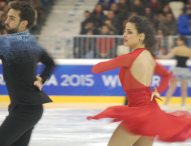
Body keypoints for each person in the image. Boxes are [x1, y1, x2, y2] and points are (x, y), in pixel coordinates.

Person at [87, 16, 191, 145]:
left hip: (140, 115)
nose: (124, 34)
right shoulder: (149, 57)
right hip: (152, 113)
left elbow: (96, 69)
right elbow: (167, 75)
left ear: (141, 36)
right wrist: (157, 90)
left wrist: (117, 60)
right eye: (125, 31)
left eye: (130, 32)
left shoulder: (128, 58)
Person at [0, 1, 55, 146]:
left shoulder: (7, 42)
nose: (6, 21)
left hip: (25, 110)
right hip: (26, 108)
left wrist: (42, 79)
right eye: (7, 17)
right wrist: (42, 79)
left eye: (12, 18)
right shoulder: (31, 42)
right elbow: (51, 63)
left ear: (23, 23)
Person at [156, 36, 191, 110]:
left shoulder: (176, 49)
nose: (177, 41)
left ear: (182, 41)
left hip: (177, 70)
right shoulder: (188, 50)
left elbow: (167, 56)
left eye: (178, 40)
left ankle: (165, 105)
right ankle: (183, 106)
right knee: (184, 90)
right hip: (185, 71)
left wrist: (157, 56)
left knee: (171, 88)